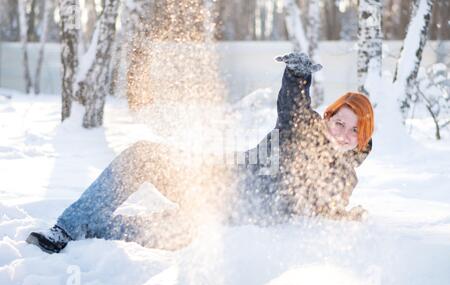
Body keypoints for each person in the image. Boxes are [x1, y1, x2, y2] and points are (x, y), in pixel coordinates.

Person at [26, 52, 374, 254]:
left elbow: (326, 203)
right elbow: (293, 107)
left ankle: (93, 228)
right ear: (328, 116)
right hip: (208, 179)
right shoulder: (302, 129)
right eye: (339, 122)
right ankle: (66, 229)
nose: (342, 134)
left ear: (362, 140)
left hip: (219, 220)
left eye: (354, 131)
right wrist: (298, 75)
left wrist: (342, 215)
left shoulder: (344, 174)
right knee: (144, 153)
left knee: (160, 232)